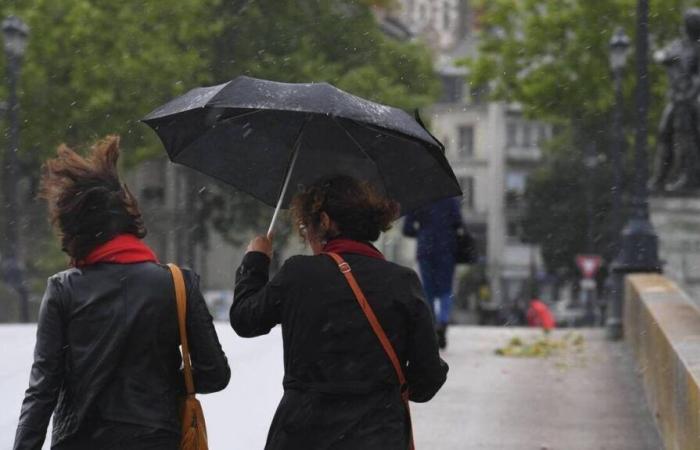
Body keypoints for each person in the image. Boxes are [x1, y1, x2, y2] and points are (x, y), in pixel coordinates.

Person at [13, 136, 230, 450]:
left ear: (76, 229)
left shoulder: (63, 290)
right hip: (155, 439)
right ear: (129, 221)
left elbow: (42, 390)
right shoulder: (178, 283)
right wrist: (162, 382)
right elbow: (215, 374)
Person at [231, 175, 448, 450]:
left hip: (303, 434)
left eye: (305, 226)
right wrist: (384, 390)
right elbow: (428, 379)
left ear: (324, 221)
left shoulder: (300, 274)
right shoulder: (402, 282)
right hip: (379, 436)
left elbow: (244, 320)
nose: (307, 235)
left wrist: (256, 260)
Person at [402, 197, 463, 349]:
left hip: (425, 248)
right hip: (446, 248)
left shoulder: (418, 200)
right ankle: (443, 321)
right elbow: (458, 223)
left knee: (428, 289)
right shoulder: (449, 199)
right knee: (445, 288)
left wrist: (422, 232)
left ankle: (433, 324)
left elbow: (407, 229)